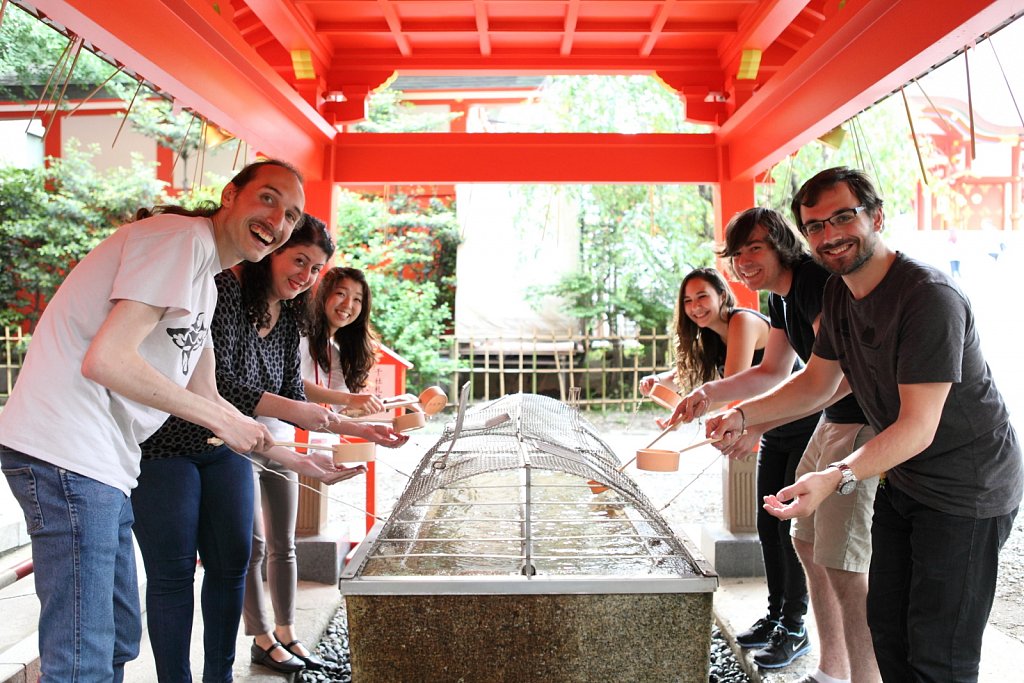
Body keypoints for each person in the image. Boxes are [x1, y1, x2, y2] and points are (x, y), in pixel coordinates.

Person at [708, 167, 1023, 681]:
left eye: (843, 217)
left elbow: (917, 426)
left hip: (969, 487)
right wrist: (741, 414)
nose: (829, 235)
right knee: (888, 634)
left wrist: (835, 474)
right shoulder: (837, 293)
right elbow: (816, 383)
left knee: (939, 653)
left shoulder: (927, 297)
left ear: (876, 216)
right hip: (907, 479)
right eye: (815, 225)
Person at [0, 159, 303, 681]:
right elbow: (108, 359)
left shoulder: (206, 281)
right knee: (83, 653)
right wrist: (218, 419)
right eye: (268, 198)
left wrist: (294, 457)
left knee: (117, 634)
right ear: (230, 195)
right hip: (66, 450)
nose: (278, 220)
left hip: (107, 464)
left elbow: (205, 392)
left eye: (292, 215)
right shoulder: (178, 239)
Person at [132, 214, 407, 681]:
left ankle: (220, 674)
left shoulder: (292, 316)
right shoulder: (222, 290)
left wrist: (355, 431)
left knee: (233, 563)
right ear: (271, 254)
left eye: (316, 268)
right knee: (173, 576)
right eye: (299, 260)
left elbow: (288, 395)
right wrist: (319, 422)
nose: (306, 275)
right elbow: (220, 386)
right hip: (166, 446)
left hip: (229, 447)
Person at [671, 207, 876, 678]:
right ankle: (829, 664)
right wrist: (707, 395)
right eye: (737, 254)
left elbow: (833, 379)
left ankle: (838, 661)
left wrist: (749, 420)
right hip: (830, 418)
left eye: (755, 249)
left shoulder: (811, 282)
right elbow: (772, 371)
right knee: (801, 539)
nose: (744, 262)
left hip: (860, 421)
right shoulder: (780, 298)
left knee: (840, 558)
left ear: (783, 244)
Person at [639, 267, 770, 401]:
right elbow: (685, 375)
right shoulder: (709, 336)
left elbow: (730, 389)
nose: (695, 306)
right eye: (688, 301)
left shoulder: (743, 321)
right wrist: (656, 381)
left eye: (702, 296)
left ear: (722, 296)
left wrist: (688, 409)